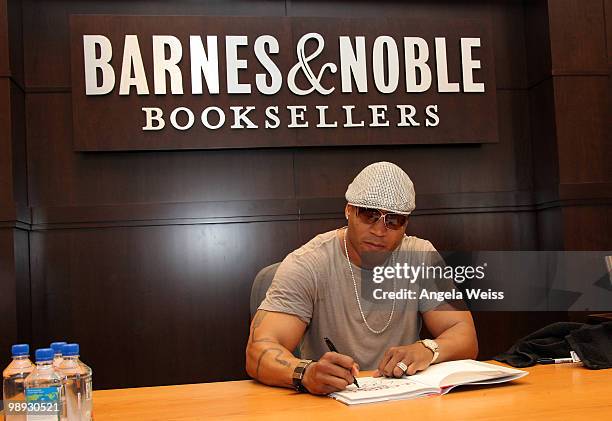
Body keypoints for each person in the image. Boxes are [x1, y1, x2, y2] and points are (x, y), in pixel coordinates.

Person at [246, 162, 478, 395]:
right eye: (369, 215)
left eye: (393, 220)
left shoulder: (420, 256)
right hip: (328, 402)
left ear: (406, 223)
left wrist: (428, 349)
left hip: (405, 398)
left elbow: (464, 334)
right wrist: (306, 373)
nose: (379, 231)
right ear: (348, 210)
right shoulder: (308, 263)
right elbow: (259, 350)